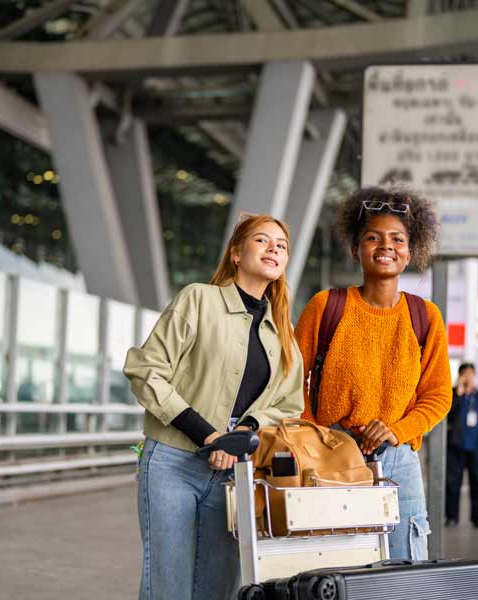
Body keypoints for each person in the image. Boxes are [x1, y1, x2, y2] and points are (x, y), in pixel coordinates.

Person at [123, 213, 305, 600]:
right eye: (262, 240)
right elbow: (146, 370)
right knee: (168, 586)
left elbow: (288, 404)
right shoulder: (198, 299)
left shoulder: (283, 333)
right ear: (236, 253)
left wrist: (242, 433)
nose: (273, 248)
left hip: (237, 470)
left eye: (282, 245)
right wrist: (208, 436)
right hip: (173, 459)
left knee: (220, 587)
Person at [295, 187, 452, 560]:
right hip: (332, 457)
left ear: (410, 253)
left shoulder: (425, 316)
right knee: (336, 566)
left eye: (397, 239)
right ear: (356, 249)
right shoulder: (326, 306)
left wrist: (396, 430)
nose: (386, 247)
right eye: (373, 238)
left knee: (404, 571)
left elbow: (438, 395)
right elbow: (290, 381)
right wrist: (315, 439)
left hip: (399, 460)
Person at [445, 363, 478, 529]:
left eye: (471, 374)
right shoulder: (453, 395)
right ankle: (451, 516)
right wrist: (458, 394)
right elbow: (447, 415)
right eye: (465, 374)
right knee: (452, 482)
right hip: (456, 447)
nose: (468, 377)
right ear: (460, 376)